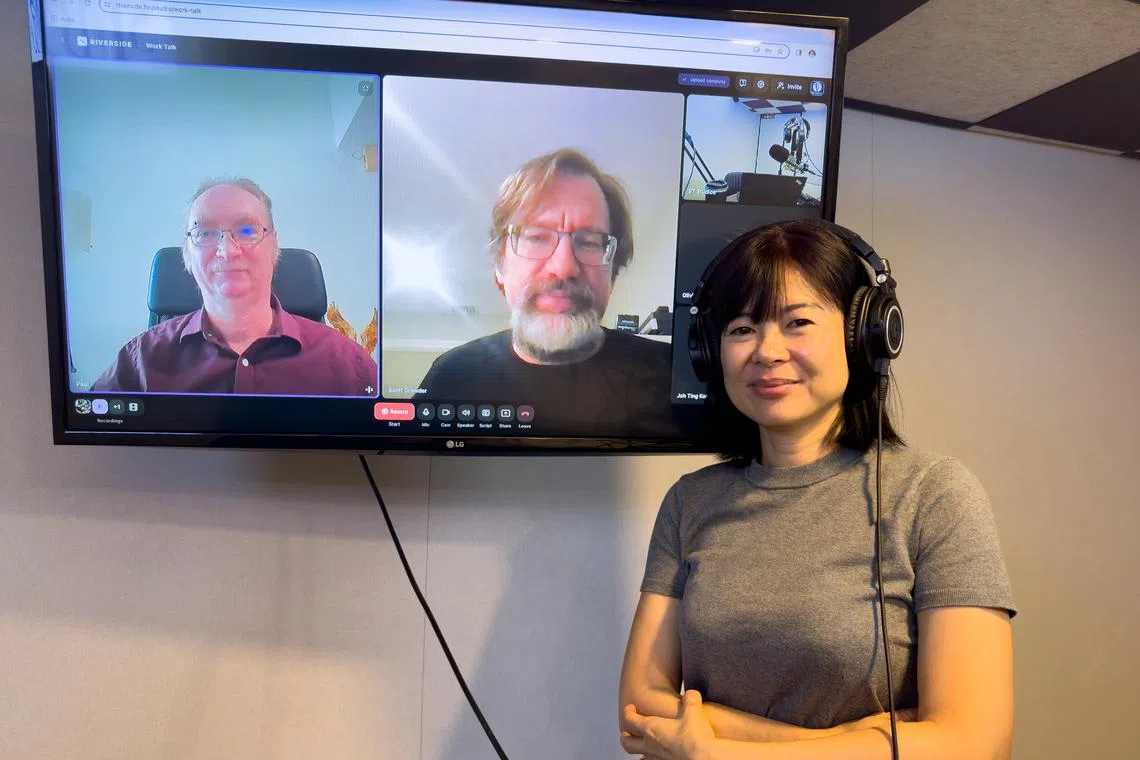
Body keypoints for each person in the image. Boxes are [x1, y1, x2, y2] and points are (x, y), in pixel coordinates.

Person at [618, 220, 1016, 759]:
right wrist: (843, 743)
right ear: (710, 351)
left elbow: (975, 743)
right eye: (742, 328)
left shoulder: (934, 495)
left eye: (797, 322)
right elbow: (640, 707)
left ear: (864, 335)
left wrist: (721, 752)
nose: (767, 351)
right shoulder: (689, 502)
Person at [417, 148, 675, 433]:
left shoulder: (672, 374)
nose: (563, 268)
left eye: (589, 242)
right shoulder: (450, 377)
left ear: (612, 274)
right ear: (500, 267)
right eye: (537, 238)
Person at [91, 178, 377, 396]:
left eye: (247, 230)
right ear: (187, 256)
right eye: (205, 233)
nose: (227, 251)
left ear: (274, 247)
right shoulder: (139, 361)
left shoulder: (348, 365)